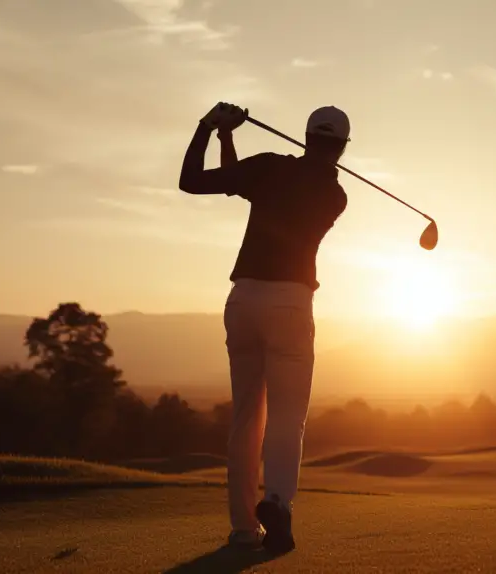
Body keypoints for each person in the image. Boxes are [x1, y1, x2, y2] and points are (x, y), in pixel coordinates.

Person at [178, 102, 350, 553]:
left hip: (244, 300)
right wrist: (225, 138)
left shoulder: (271, 169)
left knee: (246, 416)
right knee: (287, 416)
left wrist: (212, 128)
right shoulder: (336, 196)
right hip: (291, 303)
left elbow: (195, 181)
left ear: (308, 137)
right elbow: (246, 184)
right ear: (341, 149)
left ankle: (242, 528)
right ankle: (276, 501)